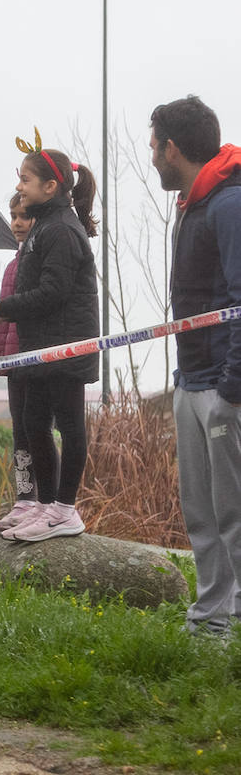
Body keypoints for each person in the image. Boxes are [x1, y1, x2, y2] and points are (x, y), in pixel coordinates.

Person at [0, 141, 100, 542]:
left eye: (25, 179)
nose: (19, 187)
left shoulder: (61, 229)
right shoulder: (45, 225)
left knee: (70, 426)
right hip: (40, 348)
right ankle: (43, 504)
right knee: (33, 423)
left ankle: (64, 509)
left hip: (65, 346)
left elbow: (54, 291)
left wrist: (3, 309)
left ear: (50, 186)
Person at [148, 95, 241, 636]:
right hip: (191, 380)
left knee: (235, 514)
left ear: (173, 148)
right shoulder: (193, 203)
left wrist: (233, 385)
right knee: (202, 513)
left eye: (155, 147)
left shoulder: (229, 203)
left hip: (222, 388)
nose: (154, 157)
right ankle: (210, 620)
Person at [0, 195, 38, 531]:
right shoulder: (11, 266)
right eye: (14, 216)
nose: (18, 223)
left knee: (37, 432)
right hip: (14, 362)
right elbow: (2, 317)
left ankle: (41, 500)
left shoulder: (36, 262)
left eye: (25, 216)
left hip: (35, 359)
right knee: (19, 434)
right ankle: (23, 499)